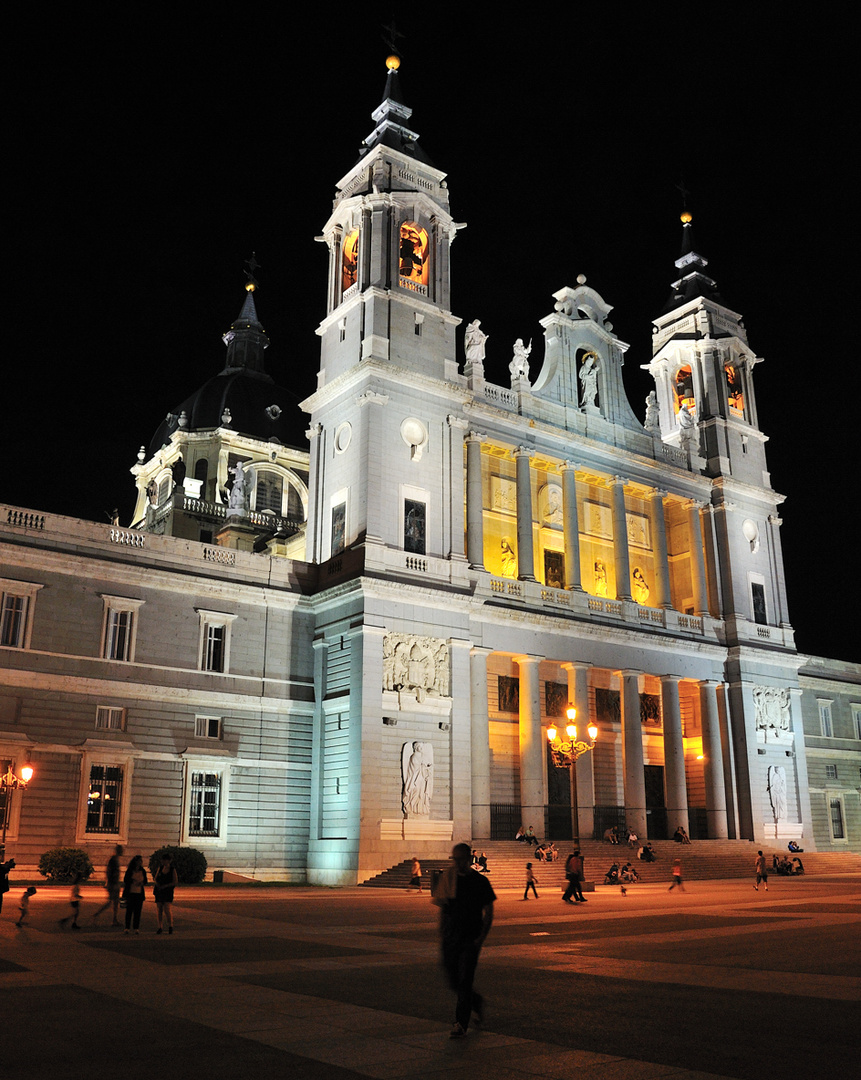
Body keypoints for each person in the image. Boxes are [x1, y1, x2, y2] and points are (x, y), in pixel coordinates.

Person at [434, 842, 495, 1040]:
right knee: (453, 980)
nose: (457, 863)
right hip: (451, 936)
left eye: (460, 859)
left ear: (469, 859)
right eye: (455, 859)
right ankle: (476, 1002)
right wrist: (442, 932)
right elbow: (443, 907)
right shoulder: (447, 878)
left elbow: (489, 911)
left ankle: (461, 1022)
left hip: (470, 937)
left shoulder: (480, 882)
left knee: (465, 980)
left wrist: (480, 938)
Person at [93, 844, 123, 926]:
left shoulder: (115, 859)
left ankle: (114, 919)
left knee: (115, 902)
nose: (122, 852)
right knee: (111, 902)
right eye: (121, 850)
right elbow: (109, 872)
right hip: (113, 884)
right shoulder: (113, 860)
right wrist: (111, 882)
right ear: (118, 851)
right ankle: (98, 914)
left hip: (114, 883)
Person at [153, 852, 178, 934]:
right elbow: (155, 878)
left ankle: (170, 925)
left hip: (167, 891)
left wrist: (166, 886)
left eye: (165, 860)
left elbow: (175, 881)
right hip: (159, 891)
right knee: (159, 909)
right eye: (162, 860)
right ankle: (160, 926)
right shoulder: (160, 868)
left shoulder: (172, 869)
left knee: (167, 909)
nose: (163, 861)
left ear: (169, 861)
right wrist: (157, 884)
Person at [123, 854, 148, 933]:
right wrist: (132, 881)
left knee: (137, 912)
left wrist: (142, 883)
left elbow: (146, 881)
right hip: (130, 893)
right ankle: (127, 927)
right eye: (139, 861)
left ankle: (136, 928)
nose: (140, 862)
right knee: (129, 911)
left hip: (139, 893)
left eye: (141, 861)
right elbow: (125, 880)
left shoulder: (142, 871)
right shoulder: (130, 870)